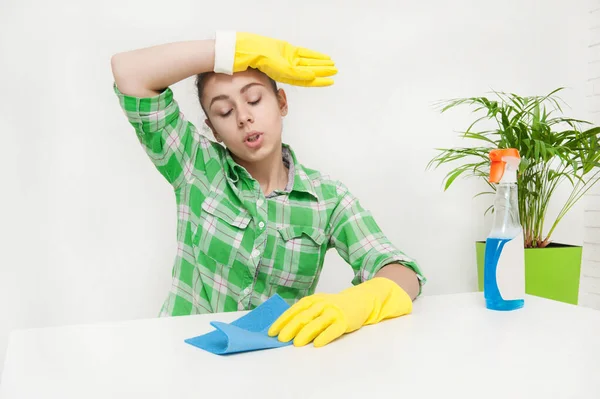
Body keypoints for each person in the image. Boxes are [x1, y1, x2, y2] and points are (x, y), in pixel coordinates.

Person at [111, 31, 426, 348]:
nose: (244, 117)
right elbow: (128, 71)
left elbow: (402, 270)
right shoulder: (194, 163)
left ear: (282, 102)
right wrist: (234, 49)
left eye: (254, 100)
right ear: (212, 129)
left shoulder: (327, 199)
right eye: (225, 111)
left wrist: (361, 301)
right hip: (182, 355)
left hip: (272, 367)